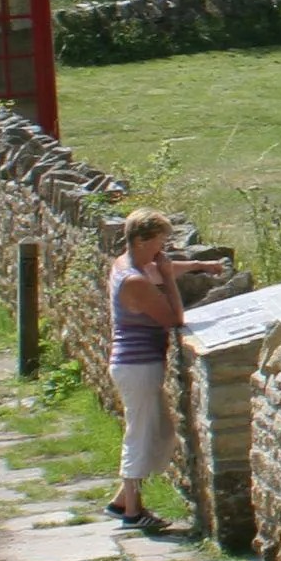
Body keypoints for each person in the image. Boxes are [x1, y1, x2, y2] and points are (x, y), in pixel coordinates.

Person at [107, 207, 187, 529]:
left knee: (161, 432)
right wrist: (168, 278)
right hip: (138, 366)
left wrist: (198, 265)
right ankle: (132, 513)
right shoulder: (135, 280)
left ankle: (122, 499)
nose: (162, 249)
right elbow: (173, 318)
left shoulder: (125, 265)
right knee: (139, 434)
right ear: (141, 240)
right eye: (158, 241)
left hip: (135, 364)